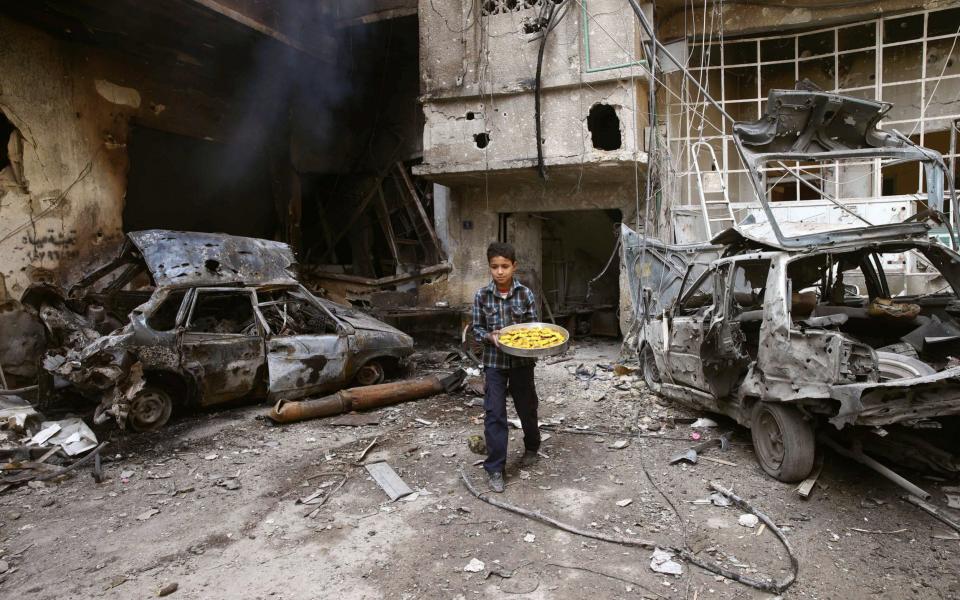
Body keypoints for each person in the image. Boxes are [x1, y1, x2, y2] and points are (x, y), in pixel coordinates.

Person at [471, 241, 541, 493]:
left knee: (527, 407)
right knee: (495, 414)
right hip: (494, 363)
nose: (500, 271)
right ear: (489, 268)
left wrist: (527, 343)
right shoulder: (482, 296)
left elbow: (534, 328)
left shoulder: (525, 294)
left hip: (522, 362)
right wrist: (490, 336)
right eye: (494, 267)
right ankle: (495, 469)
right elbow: (477, 328)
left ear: (514, 266)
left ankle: (532, 447)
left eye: (505, 266)